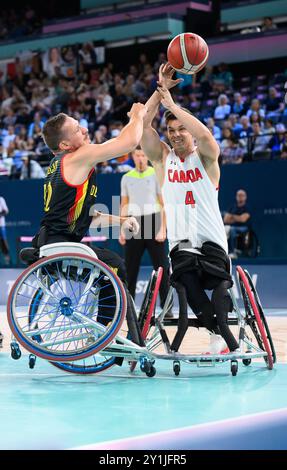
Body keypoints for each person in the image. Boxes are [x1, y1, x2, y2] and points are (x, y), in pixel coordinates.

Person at [21, 102, 147, 347]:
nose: (85, 130)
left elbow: (89, 215)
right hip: (61, 246)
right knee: (116, 266)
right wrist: (138, 115)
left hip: (53, 243)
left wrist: (121, 221)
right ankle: (103, 334)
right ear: (65, 145)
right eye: (78, 129)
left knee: (111, 270)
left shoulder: (60, 165)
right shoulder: (77, 157)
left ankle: (104, 332)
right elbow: (129, 143)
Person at [141, 63, 239, 354]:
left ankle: (219, 334)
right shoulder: (162, 159)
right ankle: (218, 334)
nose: (175, 134)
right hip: (182, 245)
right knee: (185, 280)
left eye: (181, 128)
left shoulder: (207, 159)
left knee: (219, 284)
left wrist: (174, 105)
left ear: (191, 132)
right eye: (171, 130)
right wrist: (161, 91)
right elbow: (143, 127)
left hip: (212, 243)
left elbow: (207, 136)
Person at [119, 146, 171, 315]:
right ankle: (129, 306)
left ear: (147, 156)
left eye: (143, 154)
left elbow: (163, 204)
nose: (140, 158)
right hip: (133, 223)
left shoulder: (155, 173)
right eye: (137, 155)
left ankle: (167, 307)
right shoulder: (126, 178)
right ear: (133, 156)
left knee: (161, 267)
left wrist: (163, 228)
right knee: (130, 269)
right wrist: (121, 229)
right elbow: (124, 204)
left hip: (154, 220)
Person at [223, 189, 251, 258]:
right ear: (236, 197)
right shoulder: (232, 207)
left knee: (232, 229)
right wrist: (238, 218)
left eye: (242, 195)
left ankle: (233, 252)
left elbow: (243, 219)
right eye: (238, 195)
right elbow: (225, 220)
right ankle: (225, 252)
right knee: (224, 229)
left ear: (245, 197)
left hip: (244, 228)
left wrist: (232, 216)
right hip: (231, 227)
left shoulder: (247, 208)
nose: (240, 197)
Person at [0, 195, 11, 266]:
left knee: (3, 241)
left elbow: (6, 211)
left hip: (1, 225)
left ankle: (7, 261)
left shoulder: (1, 199)